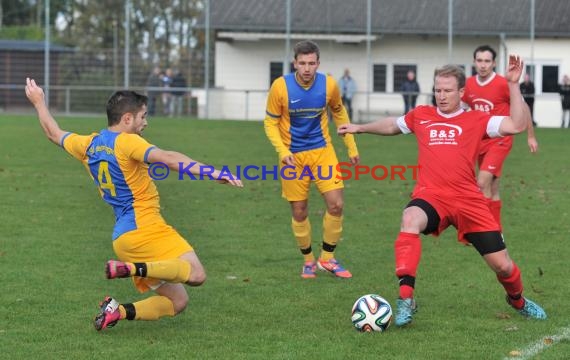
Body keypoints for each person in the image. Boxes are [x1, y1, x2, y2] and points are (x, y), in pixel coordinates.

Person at [338, 57, 547, 326]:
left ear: (461, 92)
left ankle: (518, 301)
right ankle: (406, 299)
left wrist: (513, 85)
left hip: (468, 200)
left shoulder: (477, 119)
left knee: (503, 266)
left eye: (447, 90)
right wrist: (360, 128)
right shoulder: (422, 115)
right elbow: (394, 124)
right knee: (410, 219)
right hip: (431, 195)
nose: (441, 95)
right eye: (437, 89)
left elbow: (516, 125)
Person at [24, 78, 243, 331]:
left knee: (178, 301)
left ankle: (117, 311)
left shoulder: (89, 144)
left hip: (123, 239)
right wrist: (213, 172)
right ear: (127, 119)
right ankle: (131, 269)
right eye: (143, 117)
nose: (145, 123)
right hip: (145, 228)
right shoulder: (128, 142)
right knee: (196, 275)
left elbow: (54, 133)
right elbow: (169, 158)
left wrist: (39, 102)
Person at [264, 40, 360, 279]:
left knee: (337, 204)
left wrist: (351, 145)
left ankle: (327, 258)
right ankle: (308, 261)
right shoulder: (280, 87)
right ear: (295, 63)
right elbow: (270, 122)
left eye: (312, 63)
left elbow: (338, 111)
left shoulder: (328, 84)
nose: (307, 69)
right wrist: (282, 151)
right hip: (292, 157)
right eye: (302, 63)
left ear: (318, 64)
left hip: (322, 151)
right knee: (299, 210)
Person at [462, 45, 538, 231]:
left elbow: (524, 108)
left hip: (501, 141)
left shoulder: (503, 83)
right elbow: (462, 110)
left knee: (481, 182)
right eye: (479, 60)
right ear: (474, 62)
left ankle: (483, 229)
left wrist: (530, 136)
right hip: (480, 142)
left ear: (494, 63)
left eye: (487, 61)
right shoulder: (469, 84)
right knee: (492, 187)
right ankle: (495, 230)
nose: (483, 65)